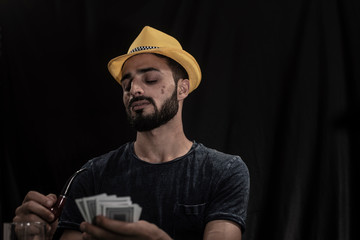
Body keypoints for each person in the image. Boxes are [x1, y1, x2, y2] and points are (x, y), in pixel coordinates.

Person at [13, 26, 250, 240]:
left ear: (182, 88)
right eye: (126, 84)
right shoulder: (92, 176)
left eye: (150, 79)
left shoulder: (224, 172)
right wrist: (31, 237)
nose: (134, 89)